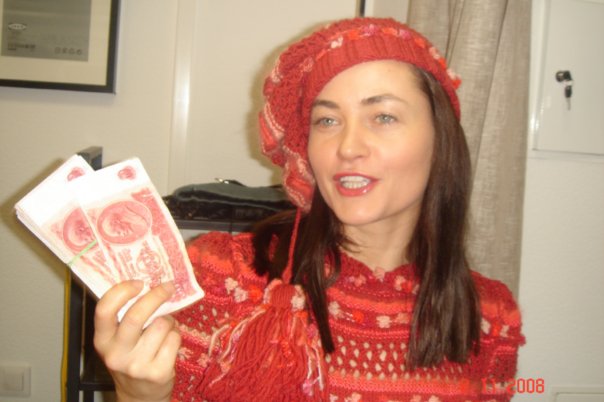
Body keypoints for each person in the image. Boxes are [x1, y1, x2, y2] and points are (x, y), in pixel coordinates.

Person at [94, 17, 524, 401]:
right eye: (327, 121)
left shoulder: (491, 316)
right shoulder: (221, 277)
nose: (348, 147)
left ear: (441, 138)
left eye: (383, 117)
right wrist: (138, 396)